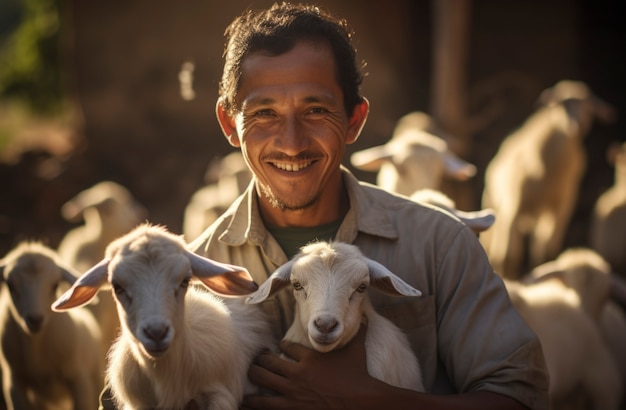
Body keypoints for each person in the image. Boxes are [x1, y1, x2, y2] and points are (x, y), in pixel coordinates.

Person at [99, 2, 548, 409]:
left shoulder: (439, 244)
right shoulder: (189, 275)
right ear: (229, 124)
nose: (291, 144)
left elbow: (521, 397)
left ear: (354, 120)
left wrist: (372, 400)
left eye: (316, 111)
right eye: (263, 114)